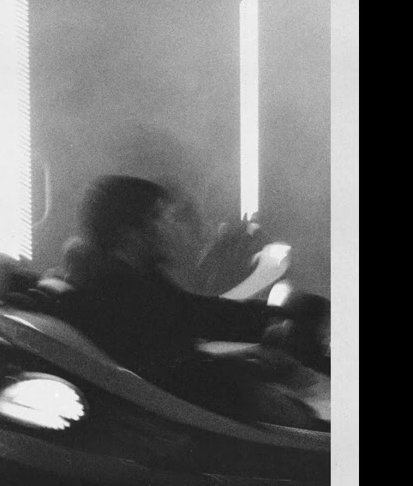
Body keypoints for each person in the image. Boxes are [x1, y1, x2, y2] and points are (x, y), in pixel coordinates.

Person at [36, 175, 321, 428]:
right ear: (130, 235)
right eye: (160, 217)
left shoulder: (126, 278)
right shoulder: (121, 292)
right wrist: (255, 371)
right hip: (173, 427)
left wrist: (271, 326)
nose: (170, 227)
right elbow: (178, 370)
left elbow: (192, 315)